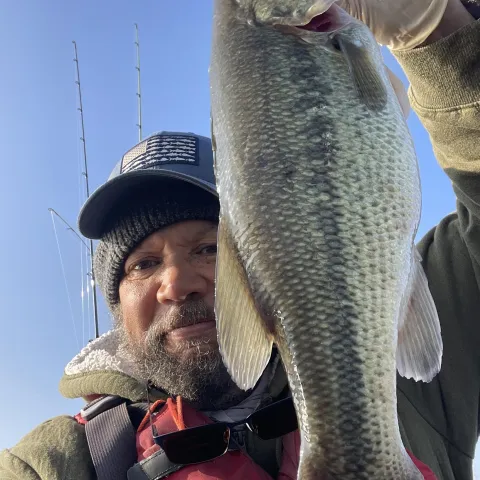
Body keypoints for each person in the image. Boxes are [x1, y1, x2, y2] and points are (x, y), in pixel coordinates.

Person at [1, 0, 478, 478]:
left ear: (252, 254)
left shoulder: (403, 373)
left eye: (208, 249)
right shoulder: (51, 463)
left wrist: (442, 33)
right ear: (115, 301)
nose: (177, 283)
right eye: (143, 263)